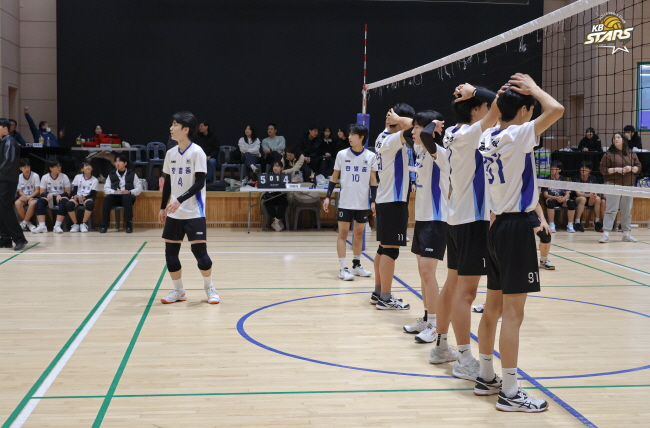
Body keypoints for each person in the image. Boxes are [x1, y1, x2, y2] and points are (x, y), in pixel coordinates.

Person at [475, 73, 563, 413]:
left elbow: (495, 118)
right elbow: (557, 109)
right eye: (529, 108)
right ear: (524, 110)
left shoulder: (488, 137)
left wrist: (504, 98)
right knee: (513, 314)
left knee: (493, 308)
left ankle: (486, 376)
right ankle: (510, 392)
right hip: (514, 230)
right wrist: (534, 89)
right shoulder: (518, 134)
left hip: (497, 226)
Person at [427, 83, 498, 380]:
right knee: (466, 293)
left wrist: (468, 96)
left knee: (452, 286)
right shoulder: (470, 133)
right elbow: (499, 103)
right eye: (483, 107)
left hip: (457, 219)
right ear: (476, 110)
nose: (488, 111)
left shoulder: (452, 135)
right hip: (472, 220)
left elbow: (425, 137)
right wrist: (475, 90)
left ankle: (441, 347)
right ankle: (464, 358)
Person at [159, 111, 219, 305]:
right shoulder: (170, 153)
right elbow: (168, 183)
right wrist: (162, 207)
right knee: (171, 255)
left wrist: (179, 200)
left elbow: (200, 183)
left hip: (194, 212)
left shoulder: (197, 152)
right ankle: (179, 291)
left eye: (175, 124)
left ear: (186, 129)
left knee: (202, 256)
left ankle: (209, 287)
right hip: (174, 214)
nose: (171, 128)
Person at [402, 110, 448, 344]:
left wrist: (433, 125)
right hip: (422, 219)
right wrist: (408, 123)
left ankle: (436, 325)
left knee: (428, 272)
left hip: (437, 220)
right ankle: (428, 317)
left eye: (418, 127)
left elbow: (427, 138)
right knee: (423, 272)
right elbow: (408, 134)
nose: (413, 132)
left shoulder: (439, 152)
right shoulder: (420, 151)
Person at [371, 103, 415, 311]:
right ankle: (386, 299)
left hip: (386, 198)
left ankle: (378, 293)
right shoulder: (392, 139)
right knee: (391, 249)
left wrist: (394, 119)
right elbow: (415, 125)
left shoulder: (382, 136)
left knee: (383, 247)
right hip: (393, 200)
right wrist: (398, 119)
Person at [322, 124, 378, 281]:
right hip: (345, 203)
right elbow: (334, 177)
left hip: (362, 203)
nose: (349, 137)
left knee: (359, 235)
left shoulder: (371, 156)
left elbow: (373, 181)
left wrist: (374, 201)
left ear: (362, 137)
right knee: (343, 234)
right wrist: (327, 196)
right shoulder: (342, 154)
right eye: (349, 134)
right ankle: (343, 268)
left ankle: (356, 265)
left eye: (353, 134)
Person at [599, 133, 642, 243]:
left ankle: (626, 234)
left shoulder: (631, 153)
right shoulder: (608, 154)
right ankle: (606, 234)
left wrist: (631, 168)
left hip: (628, 185)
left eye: (618, 137)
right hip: (613, 184)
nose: (616, 139)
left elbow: (639, 167)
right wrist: (616, 169)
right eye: (614, 138)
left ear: (623, 140)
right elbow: (603, 170)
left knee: (626, 211)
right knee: (611, 210)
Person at [0, 118, 28, 250]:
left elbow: (9, 161)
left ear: (5, 128)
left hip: (7, 180)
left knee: (5, 209)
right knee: (1, 209)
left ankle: (19, 239)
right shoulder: (3, 141)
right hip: (2, 179)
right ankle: (5, 239)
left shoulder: (10, 141)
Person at [100, 154, 142, 234]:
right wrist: (114, 192)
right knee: (107, 199)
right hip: (115, 197)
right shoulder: (111, 174)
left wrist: (130, 192)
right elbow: (106, 188)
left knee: (126, 198)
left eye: (120, 161)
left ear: (125, 163)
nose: (117, 163)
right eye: (116, 162)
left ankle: (128, 224)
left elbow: (139, 188)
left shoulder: (132, 174)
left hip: (128, 197)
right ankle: (104, 225)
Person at [32, 160, 71, 234]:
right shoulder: (45, 177)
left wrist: (60, 195)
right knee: (40, 203)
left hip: (60, 196)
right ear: (51, 168)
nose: (59, 168)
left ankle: (57, 226)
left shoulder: (64, 176)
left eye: (59, 166)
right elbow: (42, 192)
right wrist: (47, 195)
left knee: (64, 202)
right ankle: (42, 226)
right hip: (50, 197)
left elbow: (68, 192)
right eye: (57, 167)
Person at [542, 161, 577, 233]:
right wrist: (556, 198)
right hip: (551, 199)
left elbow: (568, 194)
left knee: (571, 202)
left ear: (559, 170)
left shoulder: (564, 179)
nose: (552, 170)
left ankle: (570, 225)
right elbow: (545, 195)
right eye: (551, 168)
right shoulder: (546, 179)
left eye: (555, 168)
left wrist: (564, 198)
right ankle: (551, 225)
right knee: (551, 202)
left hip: (562, 200)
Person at [66, 161, 99, 233]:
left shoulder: (95, 180)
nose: (88, 167)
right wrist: (75, 195)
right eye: (86, 166)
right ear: (82, 169)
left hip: (87, 197)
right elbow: (74, 190)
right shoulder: (78, 177)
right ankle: (75, 224)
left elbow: (92, 193)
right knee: (69, 204)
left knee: (90, 204)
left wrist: (85, 197)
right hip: (77, 197)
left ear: (92, 168)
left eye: (89, 166)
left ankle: (83, 224)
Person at [573, 161, 605, 232]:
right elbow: (578, 193)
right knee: (583, 199)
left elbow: (594, 191)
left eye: (585, 169)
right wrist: (589, 195)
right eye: (582, 169)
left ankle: (597, 222)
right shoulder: (576, 178)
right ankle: (577, 222)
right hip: (578, 199)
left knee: (597, 198)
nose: (583, 171)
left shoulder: (593, 178)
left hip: (590, 199)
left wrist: (594, 194)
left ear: (589, 170)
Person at [14, 158, 40, 232]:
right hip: (24, 197)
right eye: (25, 167)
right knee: (17, 203)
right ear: (20, 168)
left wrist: (29, 197)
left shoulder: (35, 175)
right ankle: (29, 224)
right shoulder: (19, 177)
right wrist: (24, 197)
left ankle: (24, 223)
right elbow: (20, 191)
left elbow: (37, 191)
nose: (27, 169)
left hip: (34, 197)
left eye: (28, 167)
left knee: (32, 203)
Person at [263, 162, 289, 231]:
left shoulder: (285, 177)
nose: (275, 168)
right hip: (271, 195)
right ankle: (277, 221)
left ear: (281, 168)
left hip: (280, 195)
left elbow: (287, 188)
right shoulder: (268, 176)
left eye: (277, 166)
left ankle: (276, 221)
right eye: (274, 166)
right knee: (267, 202)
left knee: (284, 202)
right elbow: (264, 187)